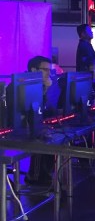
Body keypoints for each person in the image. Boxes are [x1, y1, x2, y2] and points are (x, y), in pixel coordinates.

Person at [25, 56, 55, 186]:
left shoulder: (42, 85)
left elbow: (46, 109)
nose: (49, 73)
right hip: (24, 126)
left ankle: (45, 175)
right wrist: (46, 90)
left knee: (50, 134)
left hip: (36, 123)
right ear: (33, 70)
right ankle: (35, 176)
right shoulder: (22, 84)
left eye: (49, 70)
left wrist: (48, 89)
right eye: (45, 70)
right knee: (41, 137)